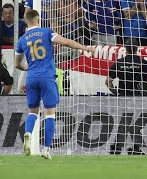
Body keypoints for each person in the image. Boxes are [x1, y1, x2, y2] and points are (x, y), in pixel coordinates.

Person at [15, 9, 94, 159]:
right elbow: (66, 42)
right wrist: (85, 48)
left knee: (33, 112)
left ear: (26, 21)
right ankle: (46, 149)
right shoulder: (46, 32)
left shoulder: (22, 39)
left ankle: (28, 133)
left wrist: (30, 68)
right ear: (38, 20)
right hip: (47, 77)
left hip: (31, 77)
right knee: (50, 114)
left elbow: (17, 64)